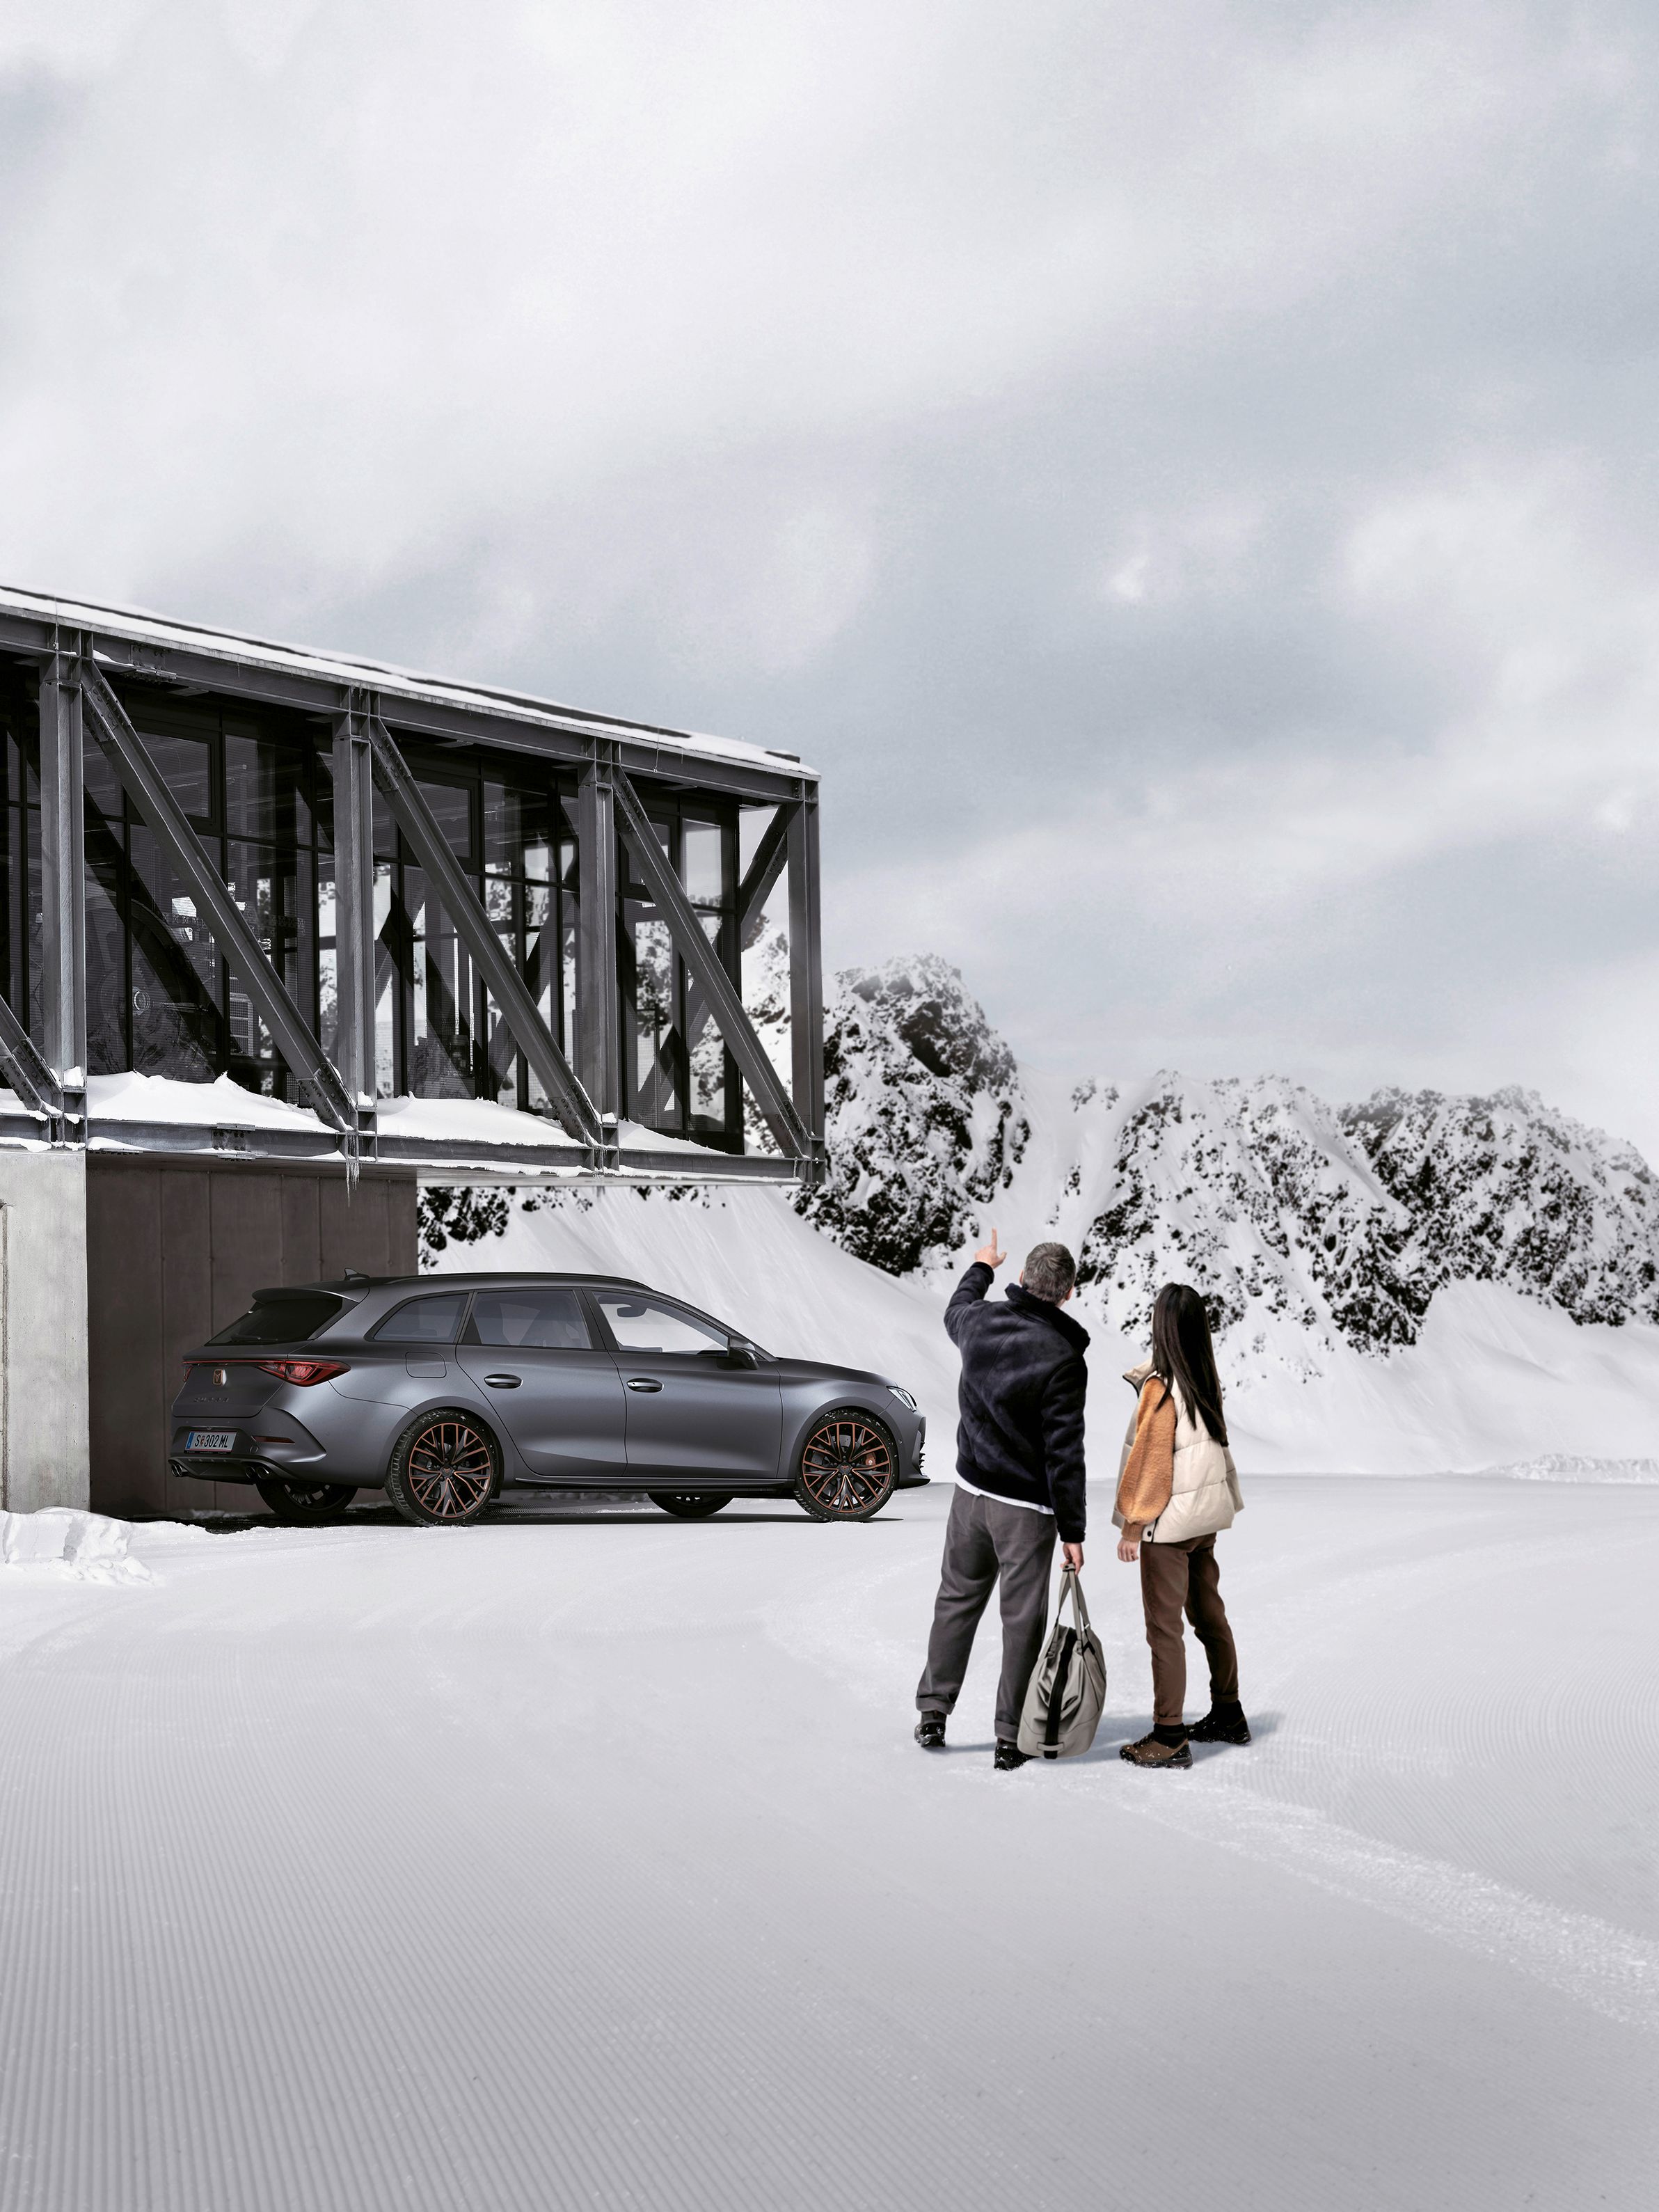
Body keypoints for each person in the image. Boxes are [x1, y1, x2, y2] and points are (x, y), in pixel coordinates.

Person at [914, 1229, 1088, 1771]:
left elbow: (956, 1307)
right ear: (1067, 1294)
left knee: (956, 1600)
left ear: (1021, 1278)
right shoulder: (1064, 1358)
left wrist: (982, 1266)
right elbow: (1064, 1453)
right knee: (1022, 1621)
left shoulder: (980, 1322)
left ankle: (933, 1714)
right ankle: (1009, 1737)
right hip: (1025, 1512)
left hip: (969, 1495)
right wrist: (1073, 1530)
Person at [1113, 1282, 1248, 1769]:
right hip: (1204, 1521)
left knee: (1164, 1630)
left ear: (1162, 1327)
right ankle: (1229, 1714)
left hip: (1169, 1529)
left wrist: (1133, 1526)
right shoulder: (1203, 1379)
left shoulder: (1162, 1387)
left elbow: (1151, 1463)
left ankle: (1169, 1736)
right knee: (1210, 1617)